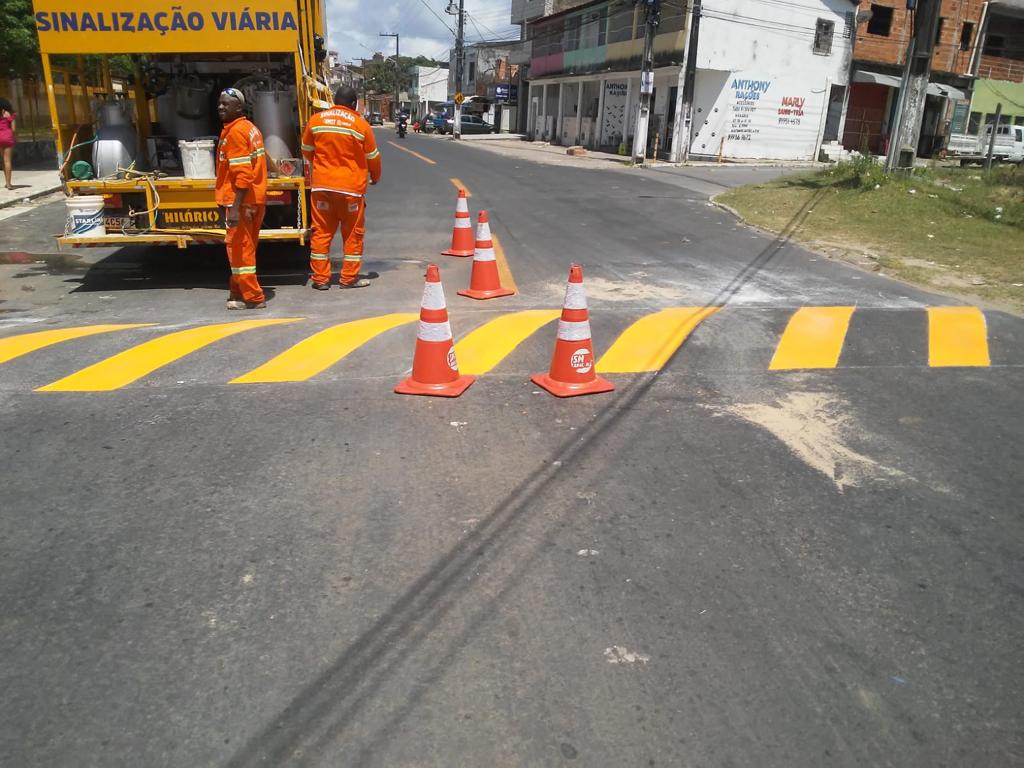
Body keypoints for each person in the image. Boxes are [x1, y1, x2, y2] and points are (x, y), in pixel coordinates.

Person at [301, 85, 382, 290]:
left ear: (334, 101)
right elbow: (373, 157)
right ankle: (348, 279)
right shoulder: (360, 125)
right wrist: (375, 177)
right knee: (353, 235)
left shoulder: (317, 120)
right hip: (350, 190)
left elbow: (307, 150)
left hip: (322, 188)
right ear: (354, 103)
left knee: (321, 233)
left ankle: (320, 279)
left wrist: (322, 167)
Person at [215, 87, 268, 309]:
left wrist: (235, 208)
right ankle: (237, 292)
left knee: (240, 251)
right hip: (252, 200)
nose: (220, 107)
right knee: (243, 250)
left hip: (242, 202)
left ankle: (253, 298)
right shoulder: (249, 128)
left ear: (239, 107)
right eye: (220, 103)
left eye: (226, 104)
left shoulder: (236, 132)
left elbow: (242, 176)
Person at [0, 97, 16, 191]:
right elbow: (14, 129)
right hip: (8, 137)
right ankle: (9, 184)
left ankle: (6, 182)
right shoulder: (10, 114)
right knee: (7, 161)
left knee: (3, 160)